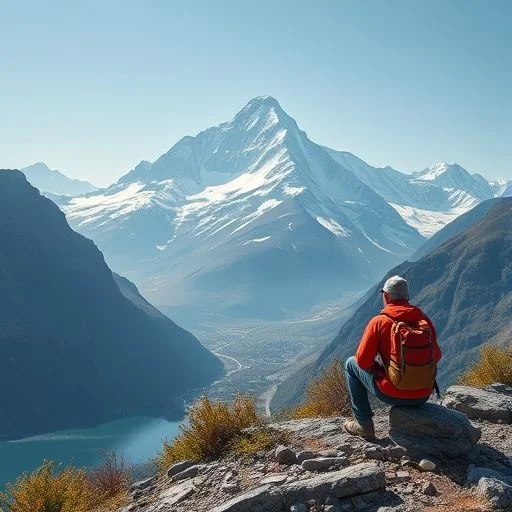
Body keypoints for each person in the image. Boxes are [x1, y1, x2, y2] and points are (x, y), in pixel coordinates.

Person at [343, 275, 441, 439]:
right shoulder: (422, 320)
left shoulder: (379, 321)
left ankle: (363, 424)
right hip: (424, 394)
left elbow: (363, 361)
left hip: (392, 393)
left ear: (386, 296)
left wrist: (380, 371)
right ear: (407, 296)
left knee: (350, 364)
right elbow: (436, 356)